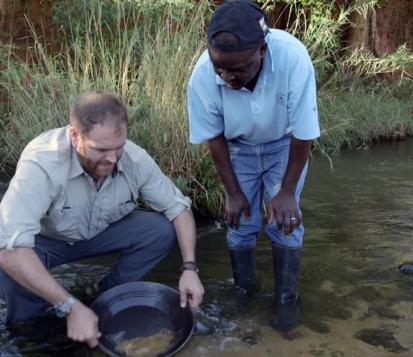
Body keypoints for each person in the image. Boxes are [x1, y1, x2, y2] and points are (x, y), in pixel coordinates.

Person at [0, 91, 204, 347]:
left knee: (160, 230)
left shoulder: (134, 158)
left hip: (98, 234)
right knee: (11, 263)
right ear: (76, 137)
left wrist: (189, 268)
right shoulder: (42, 162)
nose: (112, 158)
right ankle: (32, 332)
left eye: (118, 147)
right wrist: (69, 306)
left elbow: (179, 209)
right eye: (101, 149)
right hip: (45, 244)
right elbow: (10, 250)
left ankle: (105, 297)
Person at [187, 0, 320, 331]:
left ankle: (286, 301)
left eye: (237, 69)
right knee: (240, 222)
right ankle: (245, 292)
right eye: (221, 68)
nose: (227, 77)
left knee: (285, 221)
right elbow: (214, 137)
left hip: (285, 145)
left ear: (262, 49)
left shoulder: (293, 58)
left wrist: (287, 191)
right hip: (238, 148)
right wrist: (232, 192)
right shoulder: (203, 75)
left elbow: (304, 133)